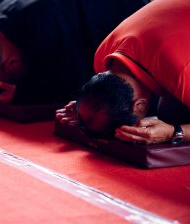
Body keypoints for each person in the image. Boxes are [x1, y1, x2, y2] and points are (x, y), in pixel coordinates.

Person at [56, 0, 190, 145]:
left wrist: (175, 132)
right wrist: (89, 110)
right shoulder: (105, 55)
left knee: (174, 118)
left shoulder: (183, 75)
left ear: (139, 105)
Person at [0, 0, 148, 105]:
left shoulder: (41, 31)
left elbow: (77, 85)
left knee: (111, 102)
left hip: (137, 17)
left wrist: (22, 93)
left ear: (12, 64)